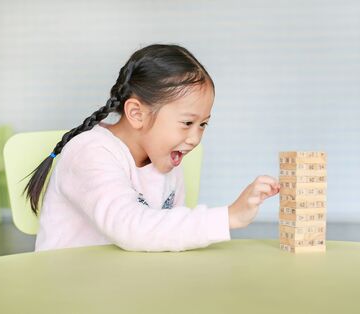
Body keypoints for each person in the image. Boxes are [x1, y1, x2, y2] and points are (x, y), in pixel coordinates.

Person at [25, 44, 280, 252]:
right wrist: (228, 217)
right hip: (69, 288)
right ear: (137, 114)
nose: (195, 137)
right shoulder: (89, 152)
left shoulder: (165, 161)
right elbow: (131, 228)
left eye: (203, 124)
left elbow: (168, 233)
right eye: (187, 123)